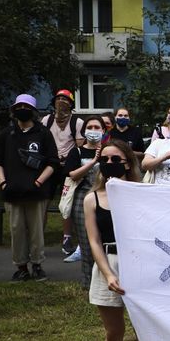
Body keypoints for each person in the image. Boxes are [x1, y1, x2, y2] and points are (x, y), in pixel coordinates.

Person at [83, 139, 147, 341]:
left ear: (128, 163)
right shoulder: (92, 199)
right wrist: (108, 274)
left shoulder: (143, 194)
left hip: (139, 264)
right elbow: (94, 241)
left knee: (144, 333)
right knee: (113, 332)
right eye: (105, 160)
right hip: (108, 263)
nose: (109, 163)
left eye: (116, 159)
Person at [0, 94, 60, 282]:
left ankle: (37, 265)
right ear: (14, 110)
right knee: (16, 230)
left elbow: (53, 162)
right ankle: (21, 267)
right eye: (19, 106)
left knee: (36, 231)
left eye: (26, 106)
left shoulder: (43, 133)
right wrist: (3, 182)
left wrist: (39, 182)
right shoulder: (6, 134)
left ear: (33, 111)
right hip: (12, 191)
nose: (22, 109)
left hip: (36, 192)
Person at [42, 89, 85, 256]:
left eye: (65, 99)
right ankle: (38, 238)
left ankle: (67, 238)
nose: (61, 102)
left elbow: (80, 145)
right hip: (50, 166)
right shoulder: (47, 120)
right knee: (43, 202)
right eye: (59, 98)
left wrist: (67, 157)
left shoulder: (77, 122)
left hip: (68, 167)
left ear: (71, 104)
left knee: (67, 203)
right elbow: (42, 140)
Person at [64, 116, 106, 283]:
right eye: (90, 127)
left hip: (104, 197)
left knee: (105, 239)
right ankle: (88, 281)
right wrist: (94, 161)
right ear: (84, 130)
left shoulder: (108, 150)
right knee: (86, 240)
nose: (94, 131)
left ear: (103, 131)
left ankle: (105, 277)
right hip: (82, 198)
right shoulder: (77, 152)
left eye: (97, 127)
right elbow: (72, 175)